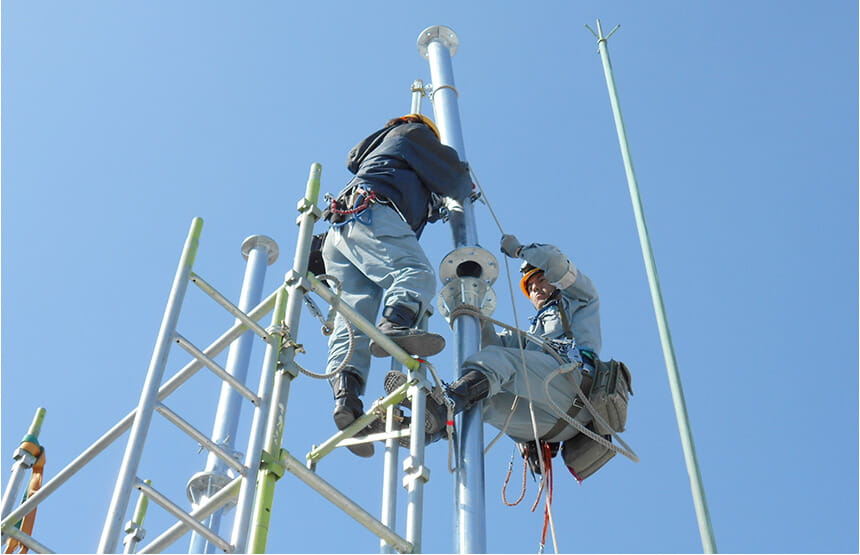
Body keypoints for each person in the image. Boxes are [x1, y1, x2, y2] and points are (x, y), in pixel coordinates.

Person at [387, 234, 622, 479]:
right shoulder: (529, 339)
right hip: (549, 428)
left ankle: (445, 404)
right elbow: (487, 344)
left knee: (497, 361)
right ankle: (432, 426)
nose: (536, 289)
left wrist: (519, 250)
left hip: (574, 389)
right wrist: (466, 305)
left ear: (554, 282)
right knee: (479, 402)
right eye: (530, 288)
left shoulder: (581, 300)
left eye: (541, 280)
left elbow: (555, 260)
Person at [321, 114, 472, 457]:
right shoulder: (412, 133)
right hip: (371, 212)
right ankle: (396, 323)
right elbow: (453, 177)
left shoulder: (381, 154)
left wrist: (432, 205)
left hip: (342, 228)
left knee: (354, 319)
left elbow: (417, 185)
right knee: (415, 273)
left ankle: (347, 397)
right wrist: (464, 186)